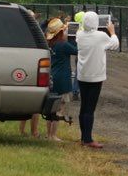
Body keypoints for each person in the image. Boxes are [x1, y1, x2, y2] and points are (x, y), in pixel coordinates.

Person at [74, 10, 119, 150]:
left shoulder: (79, 35)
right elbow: (114, 44)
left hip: (82, 75)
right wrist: (112, 31)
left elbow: (84, 29)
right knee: (90, 109)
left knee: (83, 107)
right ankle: (88, 139)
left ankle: (83, 137)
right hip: (95, 77)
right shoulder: (101, 36)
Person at [42, 16, 77, 142]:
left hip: (51, 77)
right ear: (61, 32)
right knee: (59, 109)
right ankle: (53, 135)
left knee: (51, 108)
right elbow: (76, 50)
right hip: (62, 78)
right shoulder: (63, 45)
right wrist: (73, 39)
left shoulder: (50, 44)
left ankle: (48, 134)